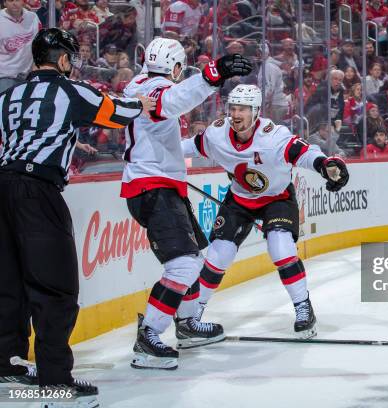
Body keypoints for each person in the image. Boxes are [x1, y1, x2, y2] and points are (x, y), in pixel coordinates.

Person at [0, 28, 151, 404]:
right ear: (63, 60)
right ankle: (56, 380)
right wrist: (142, 104)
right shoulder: (71, 90)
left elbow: (26, 133)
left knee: (8, 283)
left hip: (2, 187)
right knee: (55, 288)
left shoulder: (7, 96)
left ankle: (7, 364)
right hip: (39, 192)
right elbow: (116, 113)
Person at [122, 38, 252, 370]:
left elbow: (167, 116)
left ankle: (188, 322)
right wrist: (212, 75)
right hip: (152, 188)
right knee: (183, 266)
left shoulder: (140, 83)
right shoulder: (152, 89)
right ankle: (149, 334)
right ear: (177, 67)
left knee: (195, 255)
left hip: (161, 185)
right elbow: (173, 101)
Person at [181, 84, 349, 340]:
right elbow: (188, 147)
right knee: (218, 255)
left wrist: (325, 165)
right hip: (239, 198)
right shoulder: (217, 134)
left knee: (280, 246)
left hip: (277, 198)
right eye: (233, 108)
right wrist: (153, 156)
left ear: (257, 111)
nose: (236, 114)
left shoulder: (274, 136)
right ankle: (192, 316)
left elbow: (305, 153)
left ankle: (304, 308)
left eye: (244, 109)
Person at [0, 0, 41, 93]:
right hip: (5, 77)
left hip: (29, 76)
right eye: (10, 0)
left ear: (23, 1)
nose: (14, 3)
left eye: (17, 0)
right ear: (4, 3)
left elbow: (39, 44)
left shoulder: (33, 17)